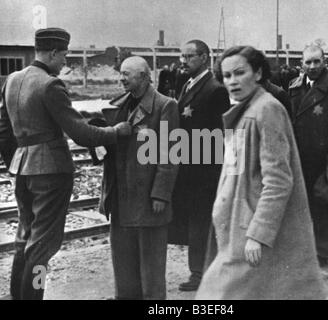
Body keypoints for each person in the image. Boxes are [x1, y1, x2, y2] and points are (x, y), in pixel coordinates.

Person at [0, 28, 132, 300]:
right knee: (43, 246)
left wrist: (19, 160)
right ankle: (33, 296)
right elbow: (82, 134)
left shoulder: (13, 79)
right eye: (64, 55)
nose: (65, 62)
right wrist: (116, 132)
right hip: (52, 172)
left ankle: (18, 296)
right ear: (52, 53)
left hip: (23, 170)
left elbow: (4, 130)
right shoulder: (50, 84)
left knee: (24, 238)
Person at [195, 46, 327, 300]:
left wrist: (258, 234)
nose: (232, 81)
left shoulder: (266, 110)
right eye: (226, 76)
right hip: (239, 227)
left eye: (239, 73)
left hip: (251, 233)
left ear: (257, 73)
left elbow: (278, 180)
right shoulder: (246, 110)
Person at [88, 56, 179, 299]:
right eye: (121, 73)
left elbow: (170, 154)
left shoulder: (165, 105)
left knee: (151, 272)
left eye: (127, 74)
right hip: (121, 196)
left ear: (143, 76)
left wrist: (161, 193)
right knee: (124, 265)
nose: (121, 78)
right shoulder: (118, 105)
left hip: (149, 199)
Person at [168, 39, 230, 291]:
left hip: (204, 170)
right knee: (195, 221)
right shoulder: (189, 84)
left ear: (205, 57)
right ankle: (199, 271)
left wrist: (214, 171)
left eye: (189, 56)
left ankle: (202, 274)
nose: (183, 61)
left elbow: (221, 135)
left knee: (201, 223)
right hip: (189, 166)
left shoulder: (215, 90)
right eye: (182, 56)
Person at [288, 45, 328, 267]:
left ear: (325, 61)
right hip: (300, 158)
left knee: (323, 203)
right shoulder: (295, 86)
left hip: (324, 159)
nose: (313, 67)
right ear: (302, 64)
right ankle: (304, 249)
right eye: (308, 62)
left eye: (317, 61)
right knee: (300, 205)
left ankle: (322, 252)